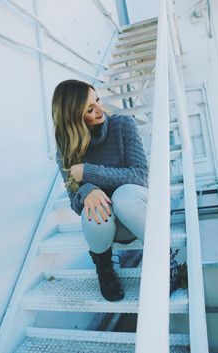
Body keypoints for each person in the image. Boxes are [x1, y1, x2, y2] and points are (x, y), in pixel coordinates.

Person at [52, 79, 181, 302]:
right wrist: (87, 191)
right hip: (109, 227)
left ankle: (167, 262)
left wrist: (88, 174)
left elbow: (139, 175)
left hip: (137, 212)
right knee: (92, 212)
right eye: (90, 109)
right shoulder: (66, 148)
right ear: (73, 117)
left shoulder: (123, 125)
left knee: (123, 196)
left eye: (98, 101)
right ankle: (104, 270)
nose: (101, 110)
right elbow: (75, 201)